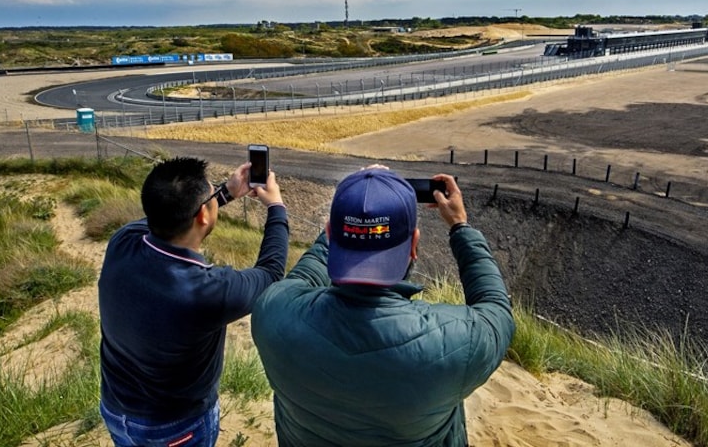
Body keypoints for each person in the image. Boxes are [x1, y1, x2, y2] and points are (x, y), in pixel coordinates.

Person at [251, 165, 514, 447]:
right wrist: (460, 226)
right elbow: (496, 308)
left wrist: (349, 215)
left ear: (330, 233)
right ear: (414, 244)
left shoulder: (272, 312)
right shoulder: (459, 342)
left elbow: (305, 275)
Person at [98, 156, 288, 447]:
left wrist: (225, 192)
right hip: (175, 427)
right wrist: (276, 206)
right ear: (202, 215)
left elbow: (167, 216)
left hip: (115, 408)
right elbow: (271, 273)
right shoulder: (206, 292)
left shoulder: (122, 243)